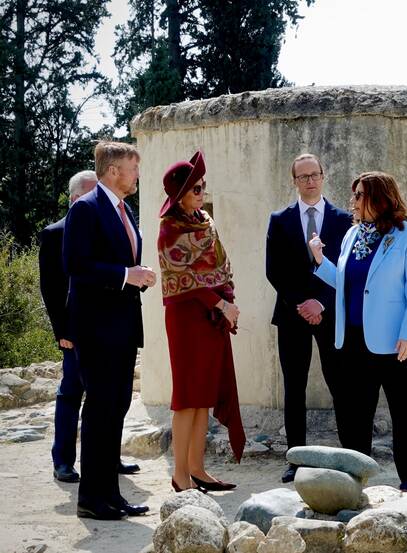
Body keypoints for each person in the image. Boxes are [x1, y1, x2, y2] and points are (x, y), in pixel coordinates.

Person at [309, 171, 407, 492]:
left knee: (404, 410)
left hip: (396, 342)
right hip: (353, 341)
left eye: (359, 195)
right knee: (353, 414)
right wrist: (321, 261)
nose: (354, 201)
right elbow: (348, 287)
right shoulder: (352, 236)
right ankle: (355, 474)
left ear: (379, 198)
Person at [63, 142, 156, 520]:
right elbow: (76, 265)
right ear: (114, 170)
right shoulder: (86, 209)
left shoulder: (125, 209)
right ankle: (91, 499)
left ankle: (111, 494)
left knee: (116, 409)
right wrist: (125, 276)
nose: (137, 176)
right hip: (97, 329)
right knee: (100, 410)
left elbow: (119, 260)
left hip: (122, 327)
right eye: (133, 169)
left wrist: (137, 277)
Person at [39, 170, 142, 483]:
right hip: (77, 331)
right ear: (74, 199)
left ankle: (109, 458)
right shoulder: (54, 232)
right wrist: (63, 332)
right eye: (88, 194)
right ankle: (64, 461)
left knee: (113, 398)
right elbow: (52, 289)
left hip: (109, 330)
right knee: (71, 393)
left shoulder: (113, 224)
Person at [157, 151, 245, 492]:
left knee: (204, 395)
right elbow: (184, 279)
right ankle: (179, 475)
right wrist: (221, 303)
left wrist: (227, 303)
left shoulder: (205, 221)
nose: (201, 193)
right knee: (186, 396)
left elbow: (219, 267)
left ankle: (197, 468)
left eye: (203, 187)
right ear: (179, 194)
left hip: (211, 317)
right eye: (195, 189)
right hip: (187, 318)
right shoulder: (169, 229)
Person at [265, 153, 353, 483]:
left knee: (340, 384)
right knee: (294, 388)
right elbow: (274, 270)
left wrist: (322, 303)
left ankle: (349, 454)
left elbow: (346, 271)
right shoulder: (280, 219)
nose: (309, 181)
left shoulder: (343, 219)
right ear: (294, 181)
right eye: (302, 177)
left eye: (314, 174)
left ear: (323, 175)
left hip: (331, 316)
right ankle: (295, 458)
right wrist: (302, 303)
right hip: (291, 315)